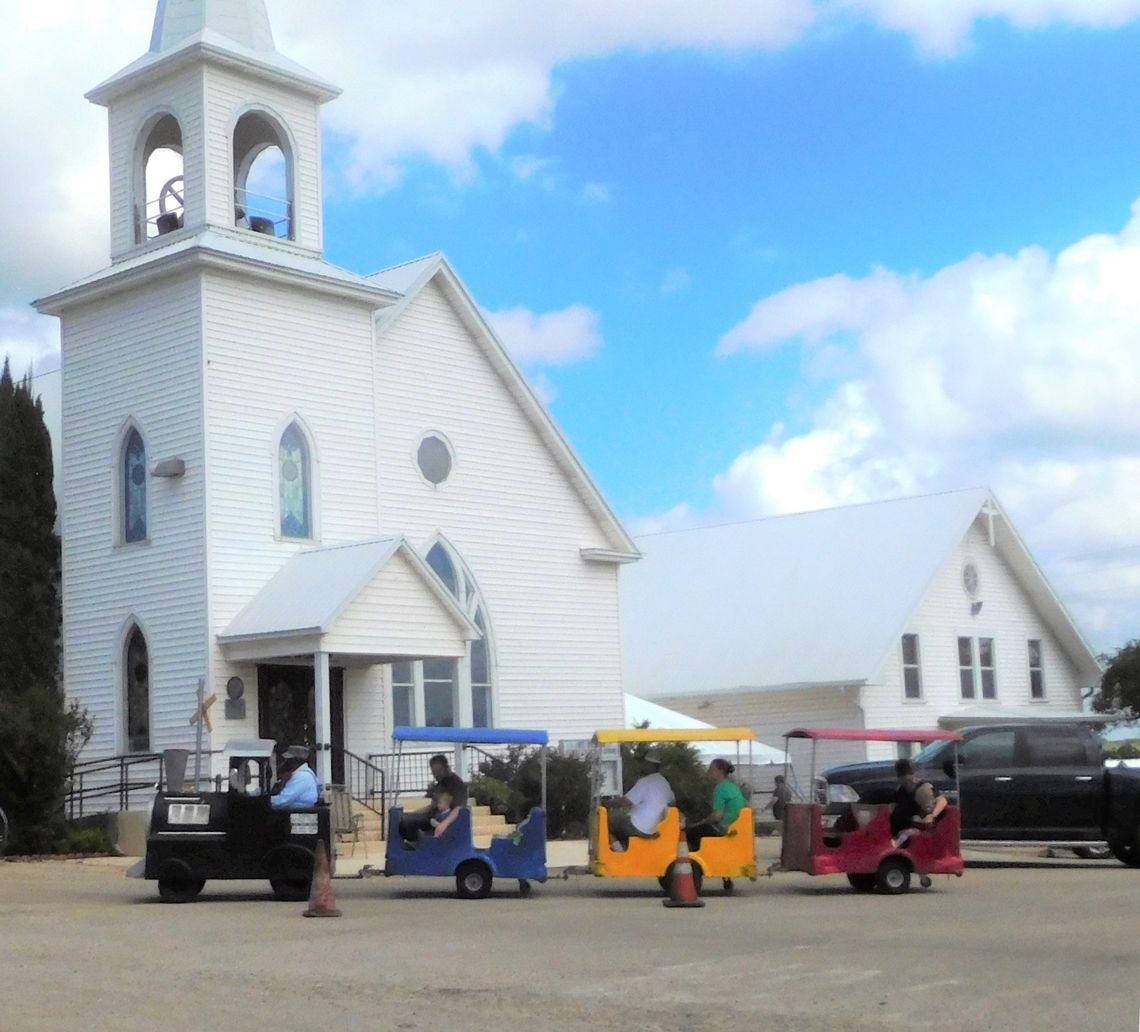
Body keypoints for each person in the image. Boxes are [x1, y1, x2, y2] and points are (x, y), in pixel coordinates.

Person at [607, 750, 675, 851]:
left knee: (608, 824)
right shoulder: (665, 783)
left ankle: (620, 853)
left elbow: (625, 802)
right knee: (622, 822)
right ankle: (624, 848)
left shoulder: (645, 782)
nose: (642, 766)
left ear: (649, 765)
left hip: (639, 827)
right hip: (656, 829)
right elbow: (673, 802)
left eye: (644, 763)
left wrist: (606, 803)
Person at [399, 754, 469, 845]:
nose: (436, 775)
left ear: (447, 767)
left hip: (442, 820)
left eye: (439, 771)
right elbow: (432, 806)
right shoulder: (440, 784)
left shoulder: (457, 785)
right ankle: (414, 843)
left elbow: (459, 808)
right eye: (434, 772)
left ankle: (417, 844)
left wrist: (444, 824)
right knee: (403, 819)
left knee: (407, 823)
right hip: (432, 816)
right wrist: (413, 814)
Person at [686, 758, 747, 852]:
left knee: (692, 833)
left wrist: (702, 822)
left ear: (720, 771)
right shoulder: (733, 786)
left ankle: (697, 863)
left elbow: (717, 816)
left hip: (726, 828)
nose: (708, 771)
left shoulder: (720, 788)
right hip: (737, 827)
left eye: (711, 769)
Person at [890, 758, 947, 848]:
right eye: (903, 777)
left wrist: (932, 815)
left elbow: (942, 801)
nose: (908, 781)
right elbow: (893, 807)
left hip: (916, 829)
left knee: (904, 834)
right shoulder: (901, 790)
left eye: (909, 777)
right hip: (899, 827)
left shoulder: (923, 789)